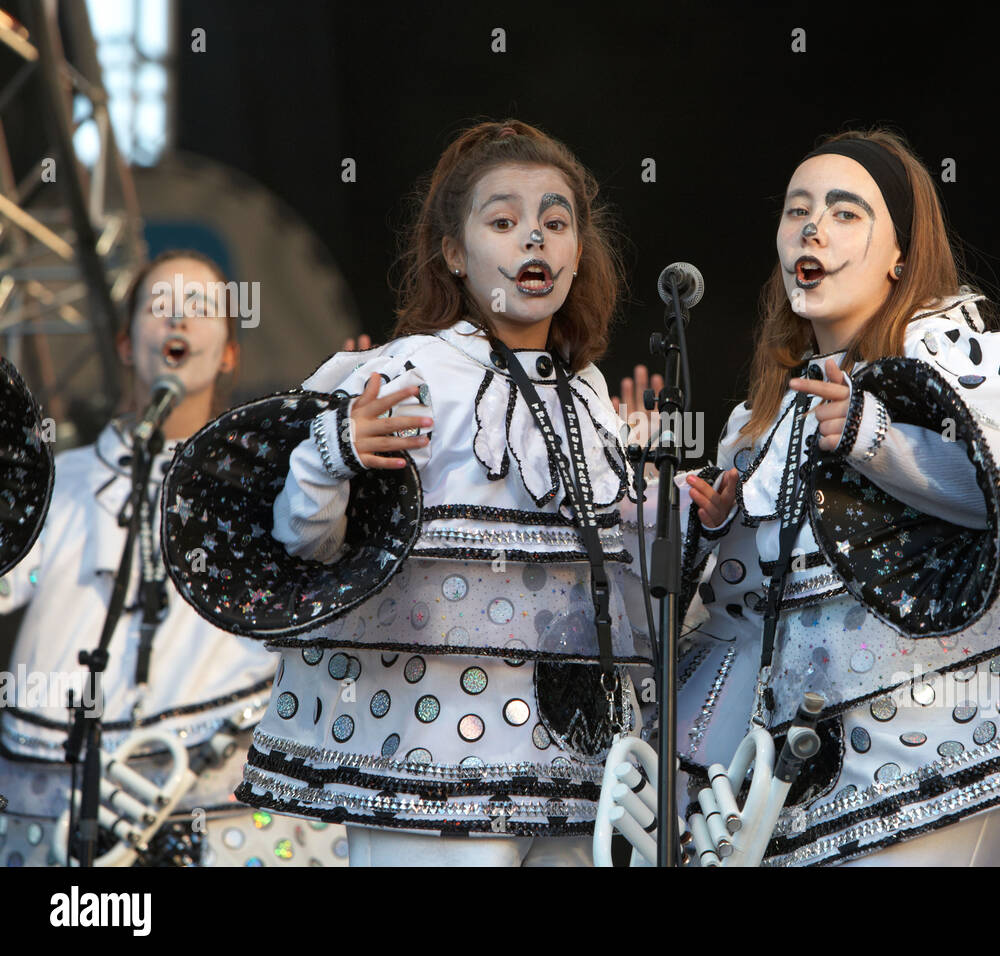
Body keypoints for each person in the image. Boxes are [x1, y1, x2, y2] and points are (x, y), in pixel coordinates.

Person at [161, 119, 714, 867]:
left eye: (556, 222)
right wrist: (334, 455)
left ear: (579, 253)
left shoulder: (590, 402)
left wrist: (689, 518)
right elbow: (307, 550)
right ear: (454, 253)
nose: (534, 241)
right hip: (426, 766)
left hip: (577, 779)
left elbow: (638, 596)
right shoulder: (409, 373)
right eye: (503, 221)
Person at [674, 128, 1000, 867]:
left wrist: (876, 437)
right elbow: (739, 617)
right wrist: (705, 529)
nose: (813, 228)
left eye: (846, 213)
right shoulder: (759, 424)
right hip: (806, 782)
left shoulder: (976, 360)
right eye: (796, 211)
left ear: (902, 251)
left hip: (948, 752)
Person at [0, 250, 347, 866]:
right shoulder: (63, 482)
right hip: (67, 793)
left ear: (231, 352)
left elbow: (328, 569)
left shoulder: (272, 486)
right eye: (158, 307)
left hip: (221, 793)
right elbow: (9, 582)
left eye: (201, 308)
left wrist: (340, 449)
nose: (177, 321)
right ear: (127, 345)